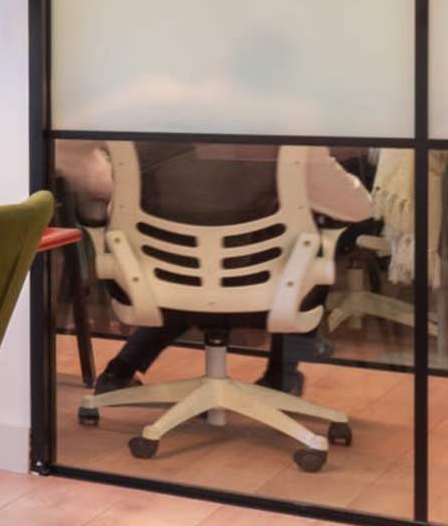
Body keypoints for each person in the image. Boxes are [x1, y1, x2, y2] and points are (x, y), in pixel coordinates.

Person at [86, 143, 375, 399]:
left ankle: (120, 370)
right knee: (307, 251)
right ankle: (281, 378)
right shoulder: (288, 136)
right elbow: (358, 208)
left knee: (183, 264)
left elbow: (116, 212)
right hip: (261, 292)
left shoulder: (149, 133)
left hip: (160, 287)